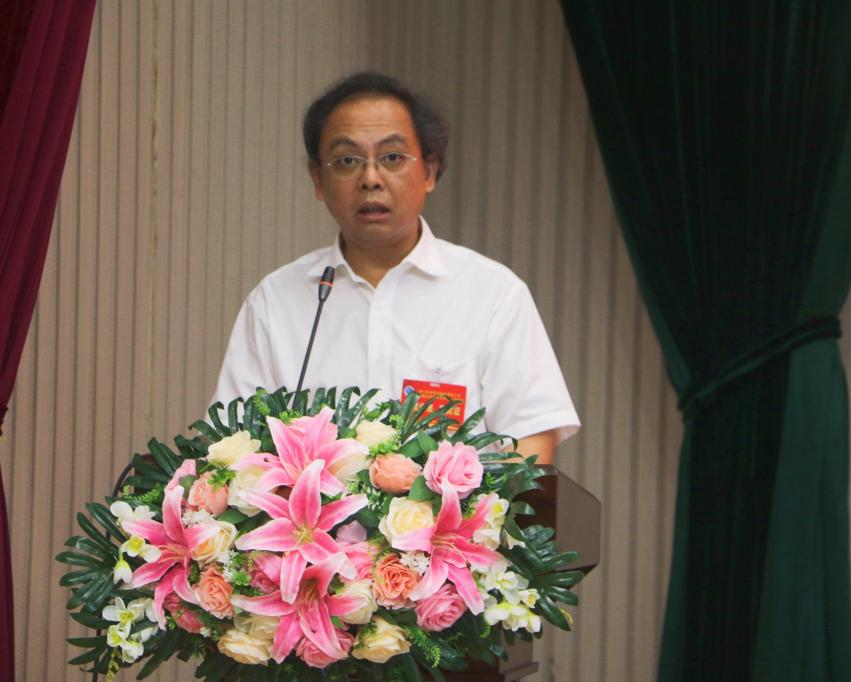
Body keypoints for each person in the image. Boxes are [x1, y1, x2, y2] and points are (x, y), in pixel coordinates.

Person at [212, 72, 579, 464]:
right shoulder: (275, 301)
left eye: (392, 158)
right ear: (318, 179)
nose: (370, 178)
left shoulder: (493, 295)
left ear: (429, 171)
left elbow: (530, 445)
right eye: (347, 160)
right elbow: (231, 447)